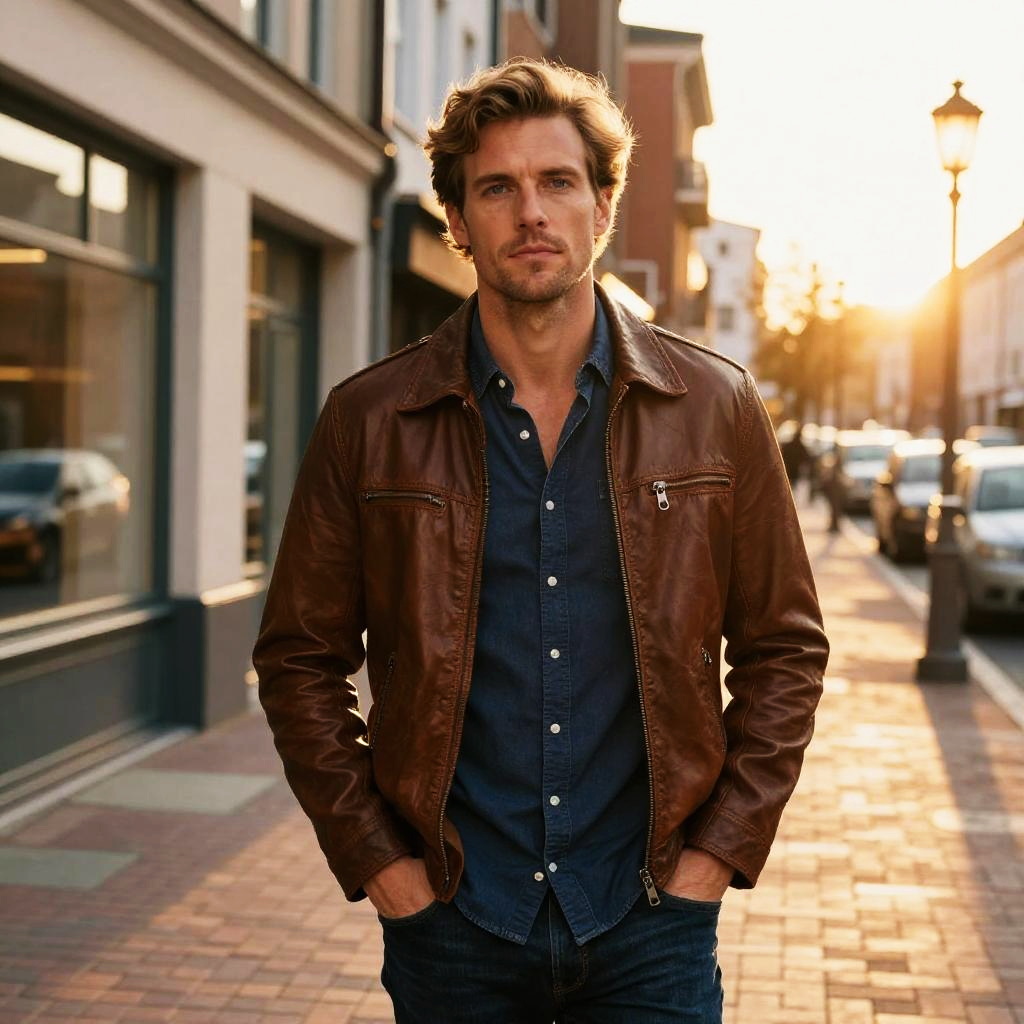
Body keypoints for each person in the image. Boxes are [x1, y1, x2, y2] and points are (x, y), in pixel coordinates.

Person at [254, 58, 828, 1023]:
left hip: (651, 919)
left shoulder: (714, 406)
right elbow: (299, 661)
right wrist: (383, 865)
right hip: (456, 925)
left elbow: (785, 649)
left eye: (559, 181)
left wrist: (716, 854)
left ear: (602, 207)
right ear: (458, 219)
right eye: (498, 187)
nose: (532, 212)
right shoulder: (370, 417)